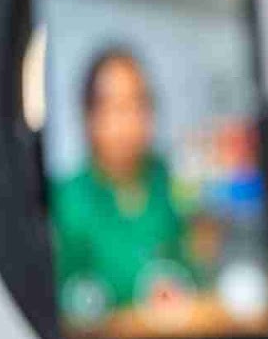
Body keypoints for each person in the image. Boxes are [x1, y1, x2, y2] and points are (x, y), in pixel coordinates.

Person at [51, 46, 201, 319]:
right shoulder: (64, 199)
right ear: (90, 117)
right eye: (117, 107)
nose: (130, 122)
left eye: (139, 105)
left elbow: (195, 267)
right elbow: (62, 297)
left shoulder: (171, 180)